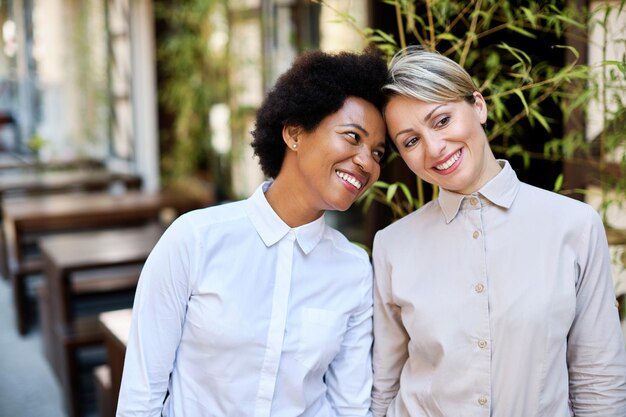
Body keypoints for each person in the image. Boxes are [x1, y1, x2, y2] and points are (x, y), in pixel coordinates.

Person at [116, 49, 388, 417]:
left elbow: (350, 406)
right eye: (353, 137)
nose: (366, 162)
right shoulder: (195, 240)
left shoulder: (353, 269)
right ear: (294, 133)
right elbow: (141, 395)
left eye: (378, 153)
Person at [371, 45, 626, 417]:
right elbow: (385, 385)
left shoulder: (574, 225)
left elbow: (598, 377)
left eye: (442, 120)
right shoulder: (391, 245)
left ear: (478, 106)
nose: (435, 148)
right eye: (411, 141)